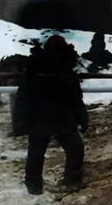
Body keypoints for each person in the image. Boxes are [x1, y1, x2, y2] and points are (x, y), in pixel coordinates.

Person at [13, 34, 89, 195]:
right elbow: (76, 98)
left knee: (38, 153)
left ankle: (34, 184)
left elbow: (23, 97)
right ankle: (70, 181)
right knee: (74, 149)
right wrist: (82, 118)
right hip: (59, 118)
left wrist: (19, 122)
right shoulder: (65, 69)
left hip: (42, 118)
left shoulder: (37, 68)